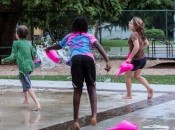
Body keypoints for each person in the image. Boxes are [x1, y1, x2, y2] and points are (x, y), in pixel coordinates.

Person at [45, 16, 111, 130]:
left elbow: (59, 46)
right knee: (92, 88)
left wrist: (48, 48)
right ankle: (94, 116)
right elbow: (98, 46)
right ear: (85, 27)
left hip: (76, 60)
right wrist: (107, 60)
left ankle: (76, 121)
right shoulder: (89, 36)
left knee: (77, 90)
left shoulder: (69, 36)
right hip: (88, 59)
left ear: (74, 26)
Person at [2, 25, 41, 111]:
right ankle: (26, 99)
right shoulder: (28, 43)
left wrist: (3, 61)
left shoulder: (16, 43)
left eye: (16, 32)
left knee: (27, 85)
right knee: (21, 78)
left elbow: (13, 56)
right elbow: (34, 54)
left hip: (23, 67)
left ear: (17, 34)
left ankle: (37, 104)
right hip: (30, 66)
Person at [123, 17, 153, 99]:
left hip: (136, 60)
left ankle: (129, 95)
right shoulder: (141, 33)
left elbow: (136, 47)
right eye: (130, 22)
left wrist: (130, 58)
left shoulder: (134, 34)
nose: (129, 24)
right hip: (143, 58)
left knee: (127, 76)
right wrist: (140, 50)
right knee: (137, 76)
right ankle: (149, 89)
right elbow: (147, 43)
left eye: (131, 23)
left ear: (136, 26)